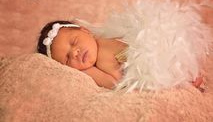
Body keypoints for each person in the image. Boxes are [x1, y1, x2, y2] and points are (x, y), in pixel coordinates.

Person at [37, 20, 203, 91]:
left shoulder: (106, 37)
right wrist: (87, 71)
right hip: (146, 75)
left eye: (74, 42)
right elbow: (115, 83)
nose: (74, 52)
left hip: (155, 52)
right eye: (67, 59)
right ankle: (182, 79)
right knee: (163, 79)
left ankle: (184, 69)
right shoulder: (93, 70)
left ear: (85, 31)